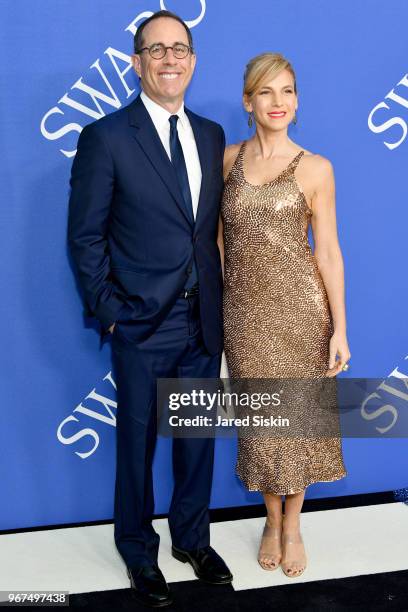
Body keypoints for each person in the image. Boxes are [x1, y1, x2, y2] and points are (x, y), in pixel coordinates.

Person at [68, 10, 232, 608]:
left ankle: (192, 538)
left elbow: (203, 230)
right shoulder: (107, 137)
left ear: (193, 60)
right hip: (141, 322)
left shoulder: (212, 135)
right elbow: (85, 237)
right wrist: (111, 310)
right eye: (155, 49)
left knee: (197, 441)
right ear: (137, 63)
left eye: (180, 48)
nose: (169, 59)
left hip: (201, 320)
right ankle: (138, 550)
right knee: (136, 445)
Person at [218, 52, 351, 577]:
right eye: (267, 92)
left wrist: (340, 326)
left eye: (288, 91)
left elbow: (328, 252)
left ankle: (290, 525)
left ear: (297, 101)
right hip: (245, 316)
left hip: (302, 314)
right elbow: (218, 242)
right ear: (248, 100)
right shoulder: (226, 160)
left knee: (298, 426)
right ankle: (269, 519)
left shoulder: (316, 167)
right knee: (262, 426)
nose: (278, 102)